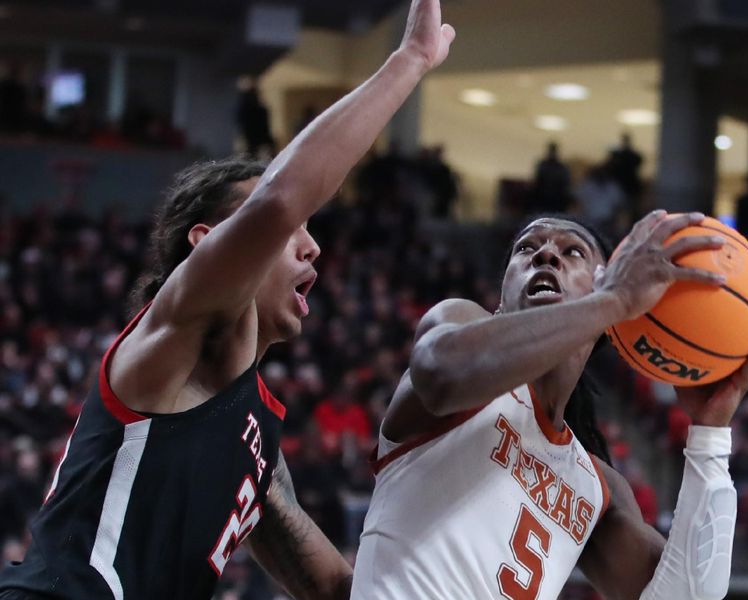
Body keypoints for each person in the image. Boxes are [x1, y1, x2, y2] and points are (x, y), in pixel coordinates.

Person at [0, 1, 455, 598]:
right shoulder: (177, 331)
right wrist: (410, 61)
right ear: (207, 242)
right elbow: (280, 200)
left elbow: (333, 587)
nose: (312, 247)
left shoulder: (258, 439)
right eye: (293, 231)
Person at [351, 210, 748, 599]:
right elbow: (441, 375)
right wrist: (611, 303)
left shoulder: (598, 487)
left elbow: (688, 596)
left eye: (572, 251)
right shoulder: (457, 326)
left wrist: (709, 432)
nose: (545, 256)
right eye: (526, 249)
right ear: (501, 297)